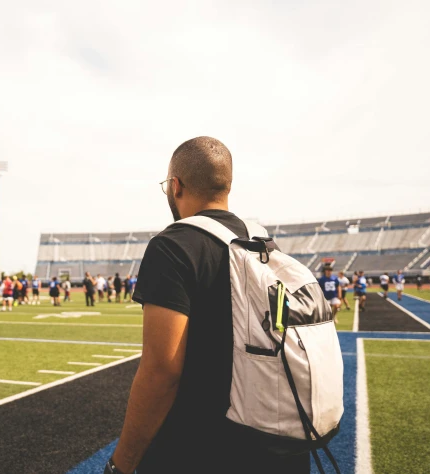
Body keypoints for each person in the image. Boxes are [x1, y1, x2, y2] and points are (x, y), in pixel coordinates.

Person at [109, 137, 310, 474]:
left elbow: (162, 372)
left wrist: (122, 463)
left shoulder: (172, 246)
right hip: (278, 446)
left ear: (175, 186)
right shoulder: (263, 242)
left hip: (205, 451)